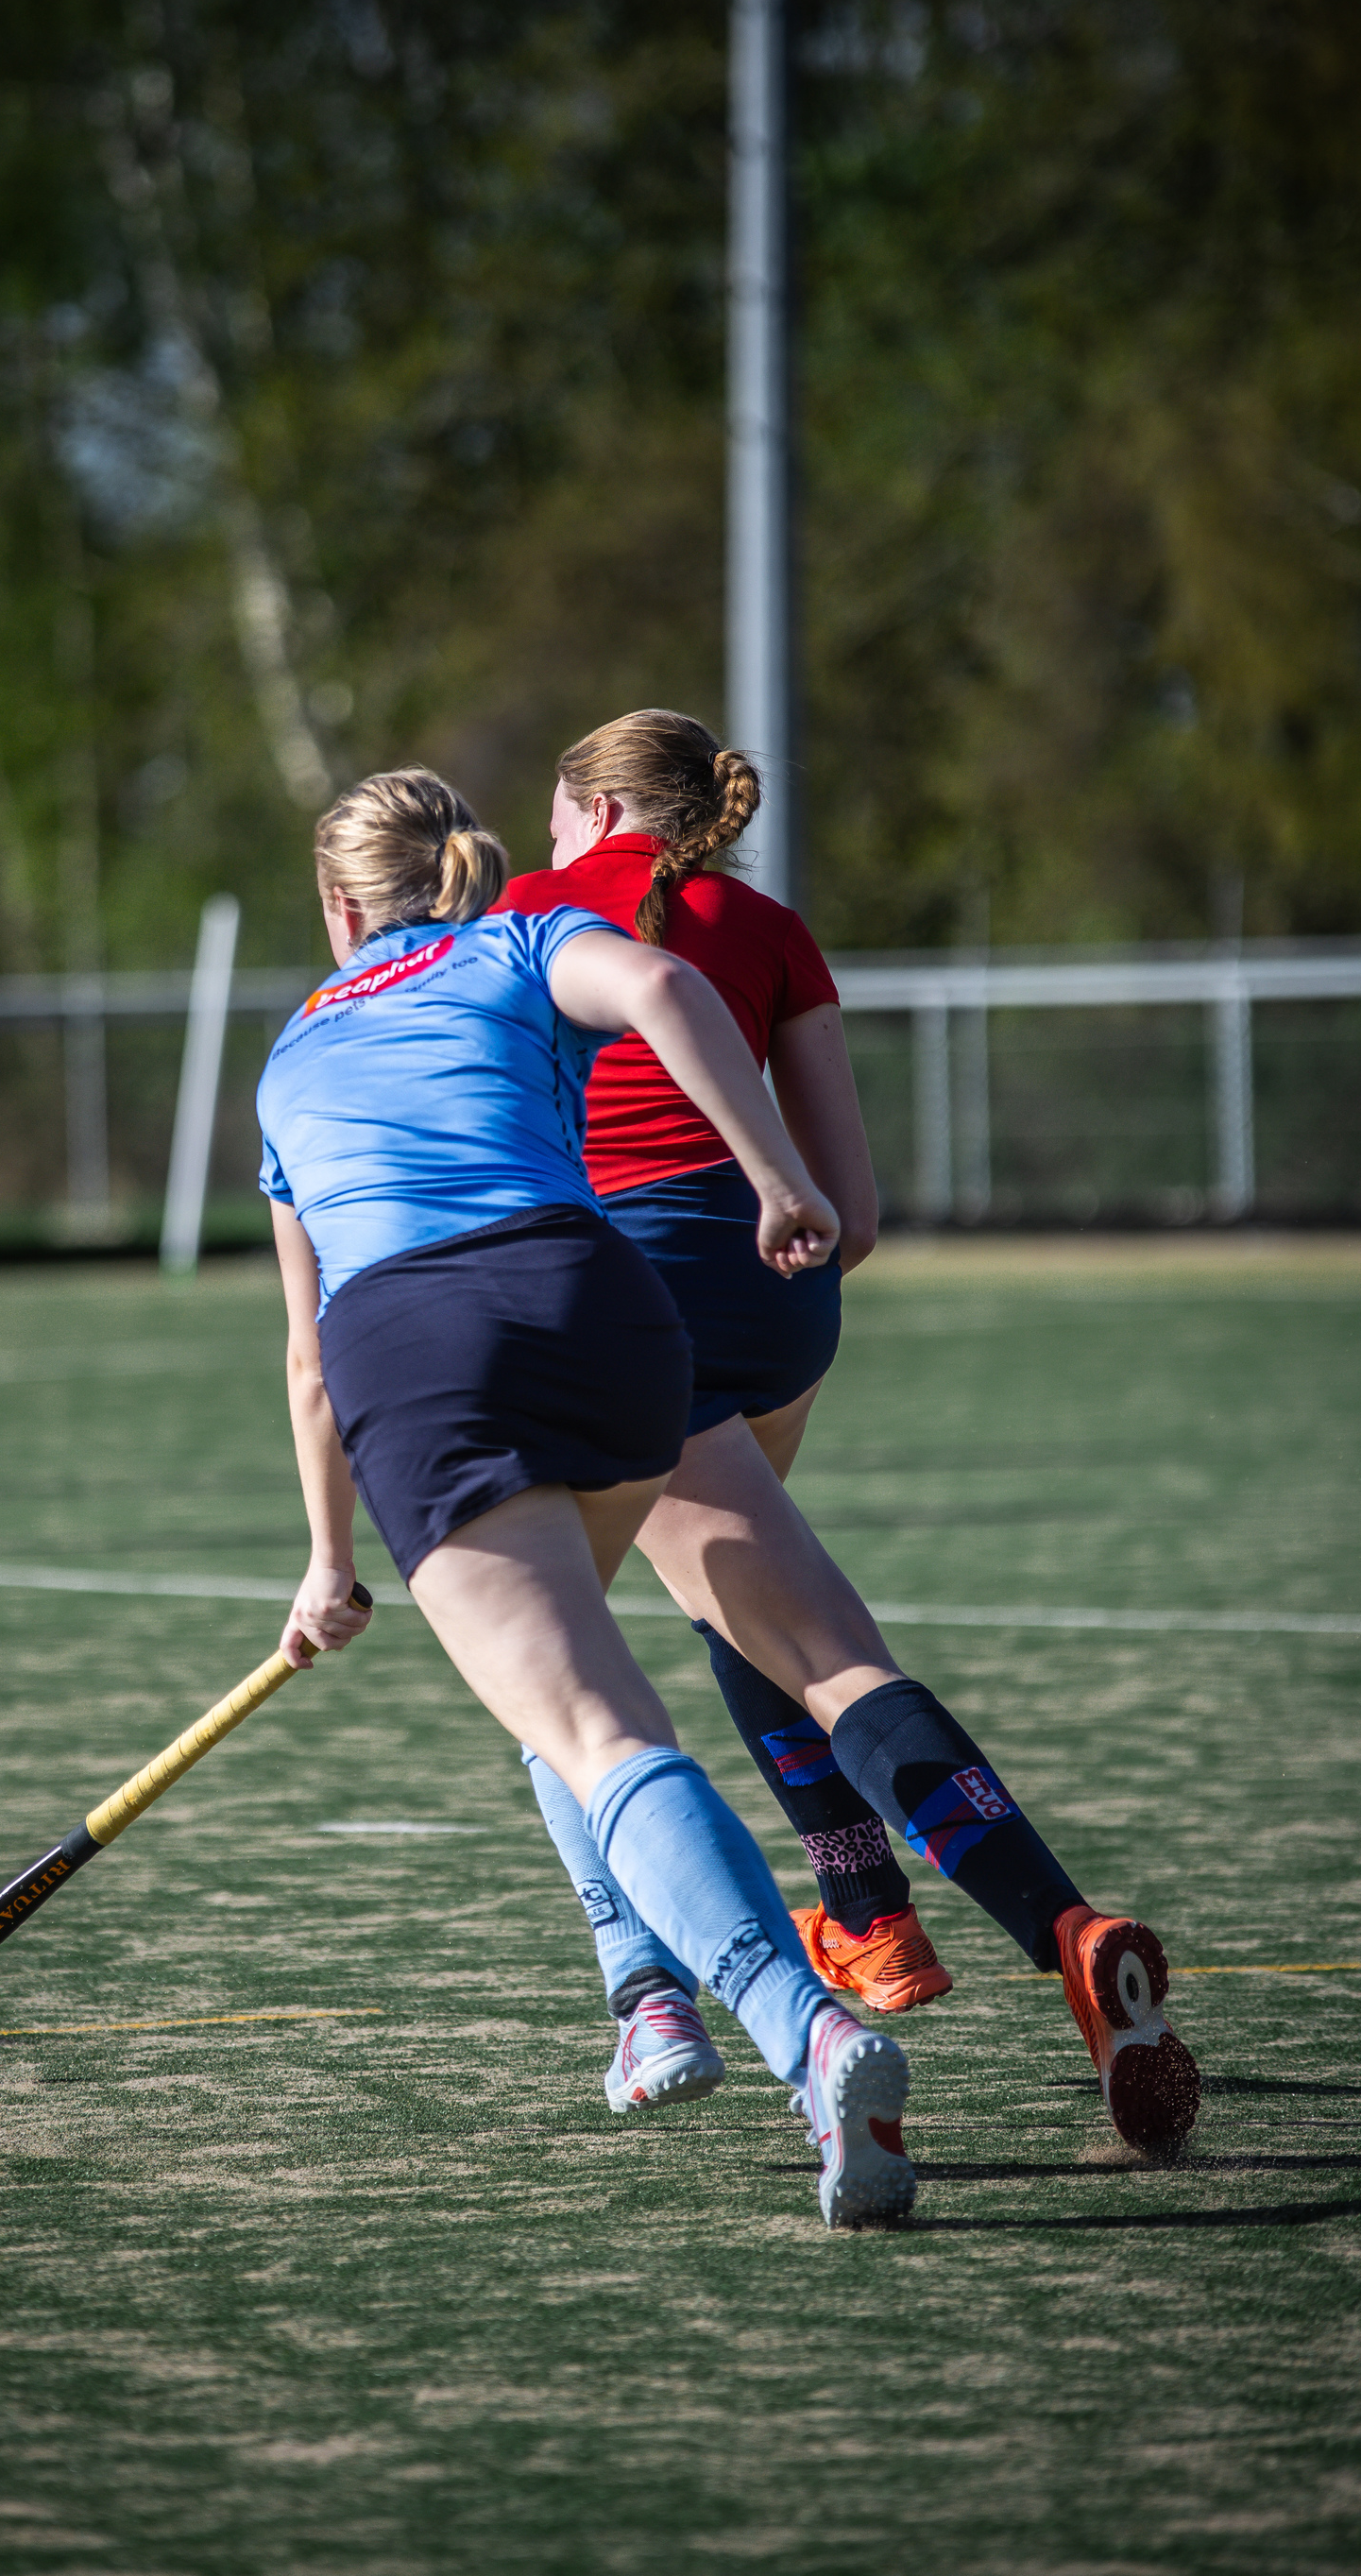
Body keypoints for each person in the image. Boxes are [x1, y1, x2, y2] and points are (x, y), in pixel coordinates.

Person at [498, 710, 1200, 2157]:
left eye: (557, 813)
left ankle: (1041, 1930)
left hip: (627, 1295)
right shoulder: (771, 927)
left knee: (750, 1658)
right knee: (750, 1620)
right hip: (779, 1300)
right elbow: (855, 1216)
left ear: (589, 808)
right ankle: (877, 1919)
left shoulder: (521, 915)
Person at [259, 765, 916, 2230]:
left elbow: (310, 1358)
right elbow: (675, 997)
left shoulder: (294, 1050)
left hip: (423, 1352)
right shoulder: (514, 942)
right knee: (576, 1688)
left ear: (338, 902)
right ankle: (644, 1996)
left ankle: (801, 2035)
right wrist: (774, 1181)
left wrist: (325, 1563)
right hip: (607, 1316)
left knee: (588, 1721)